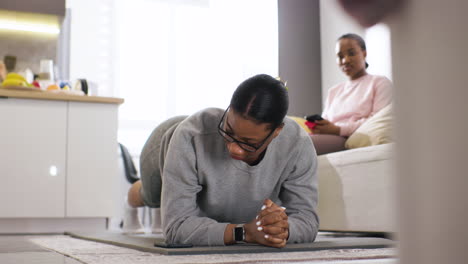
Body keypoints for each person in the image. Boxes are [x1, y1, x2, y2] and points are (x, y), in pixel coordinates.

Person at [123, 74, 319, 248]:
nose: (233, 148)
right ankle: (132, 201)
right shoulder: (189, 136)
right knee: (151, 197)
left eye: (248, 143)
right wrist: (244, 233)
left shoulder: (298, 145)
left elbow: (307, 220)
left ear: (277, 132)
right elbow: (176, 229)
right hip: (168, 140)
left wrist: (283, 229)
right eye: (229, 131)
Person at [309, 33, 393, 155]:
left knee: (297, 144)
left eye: (351, 53)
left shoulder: (379, 83)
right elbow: (327, 121)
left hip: (349, 138)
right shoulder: (334, 91)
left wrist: (338, 130)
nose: (345, 60)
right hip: (329, 136)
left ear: (364, 53)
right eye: (340, 56)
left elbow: (376, 121)